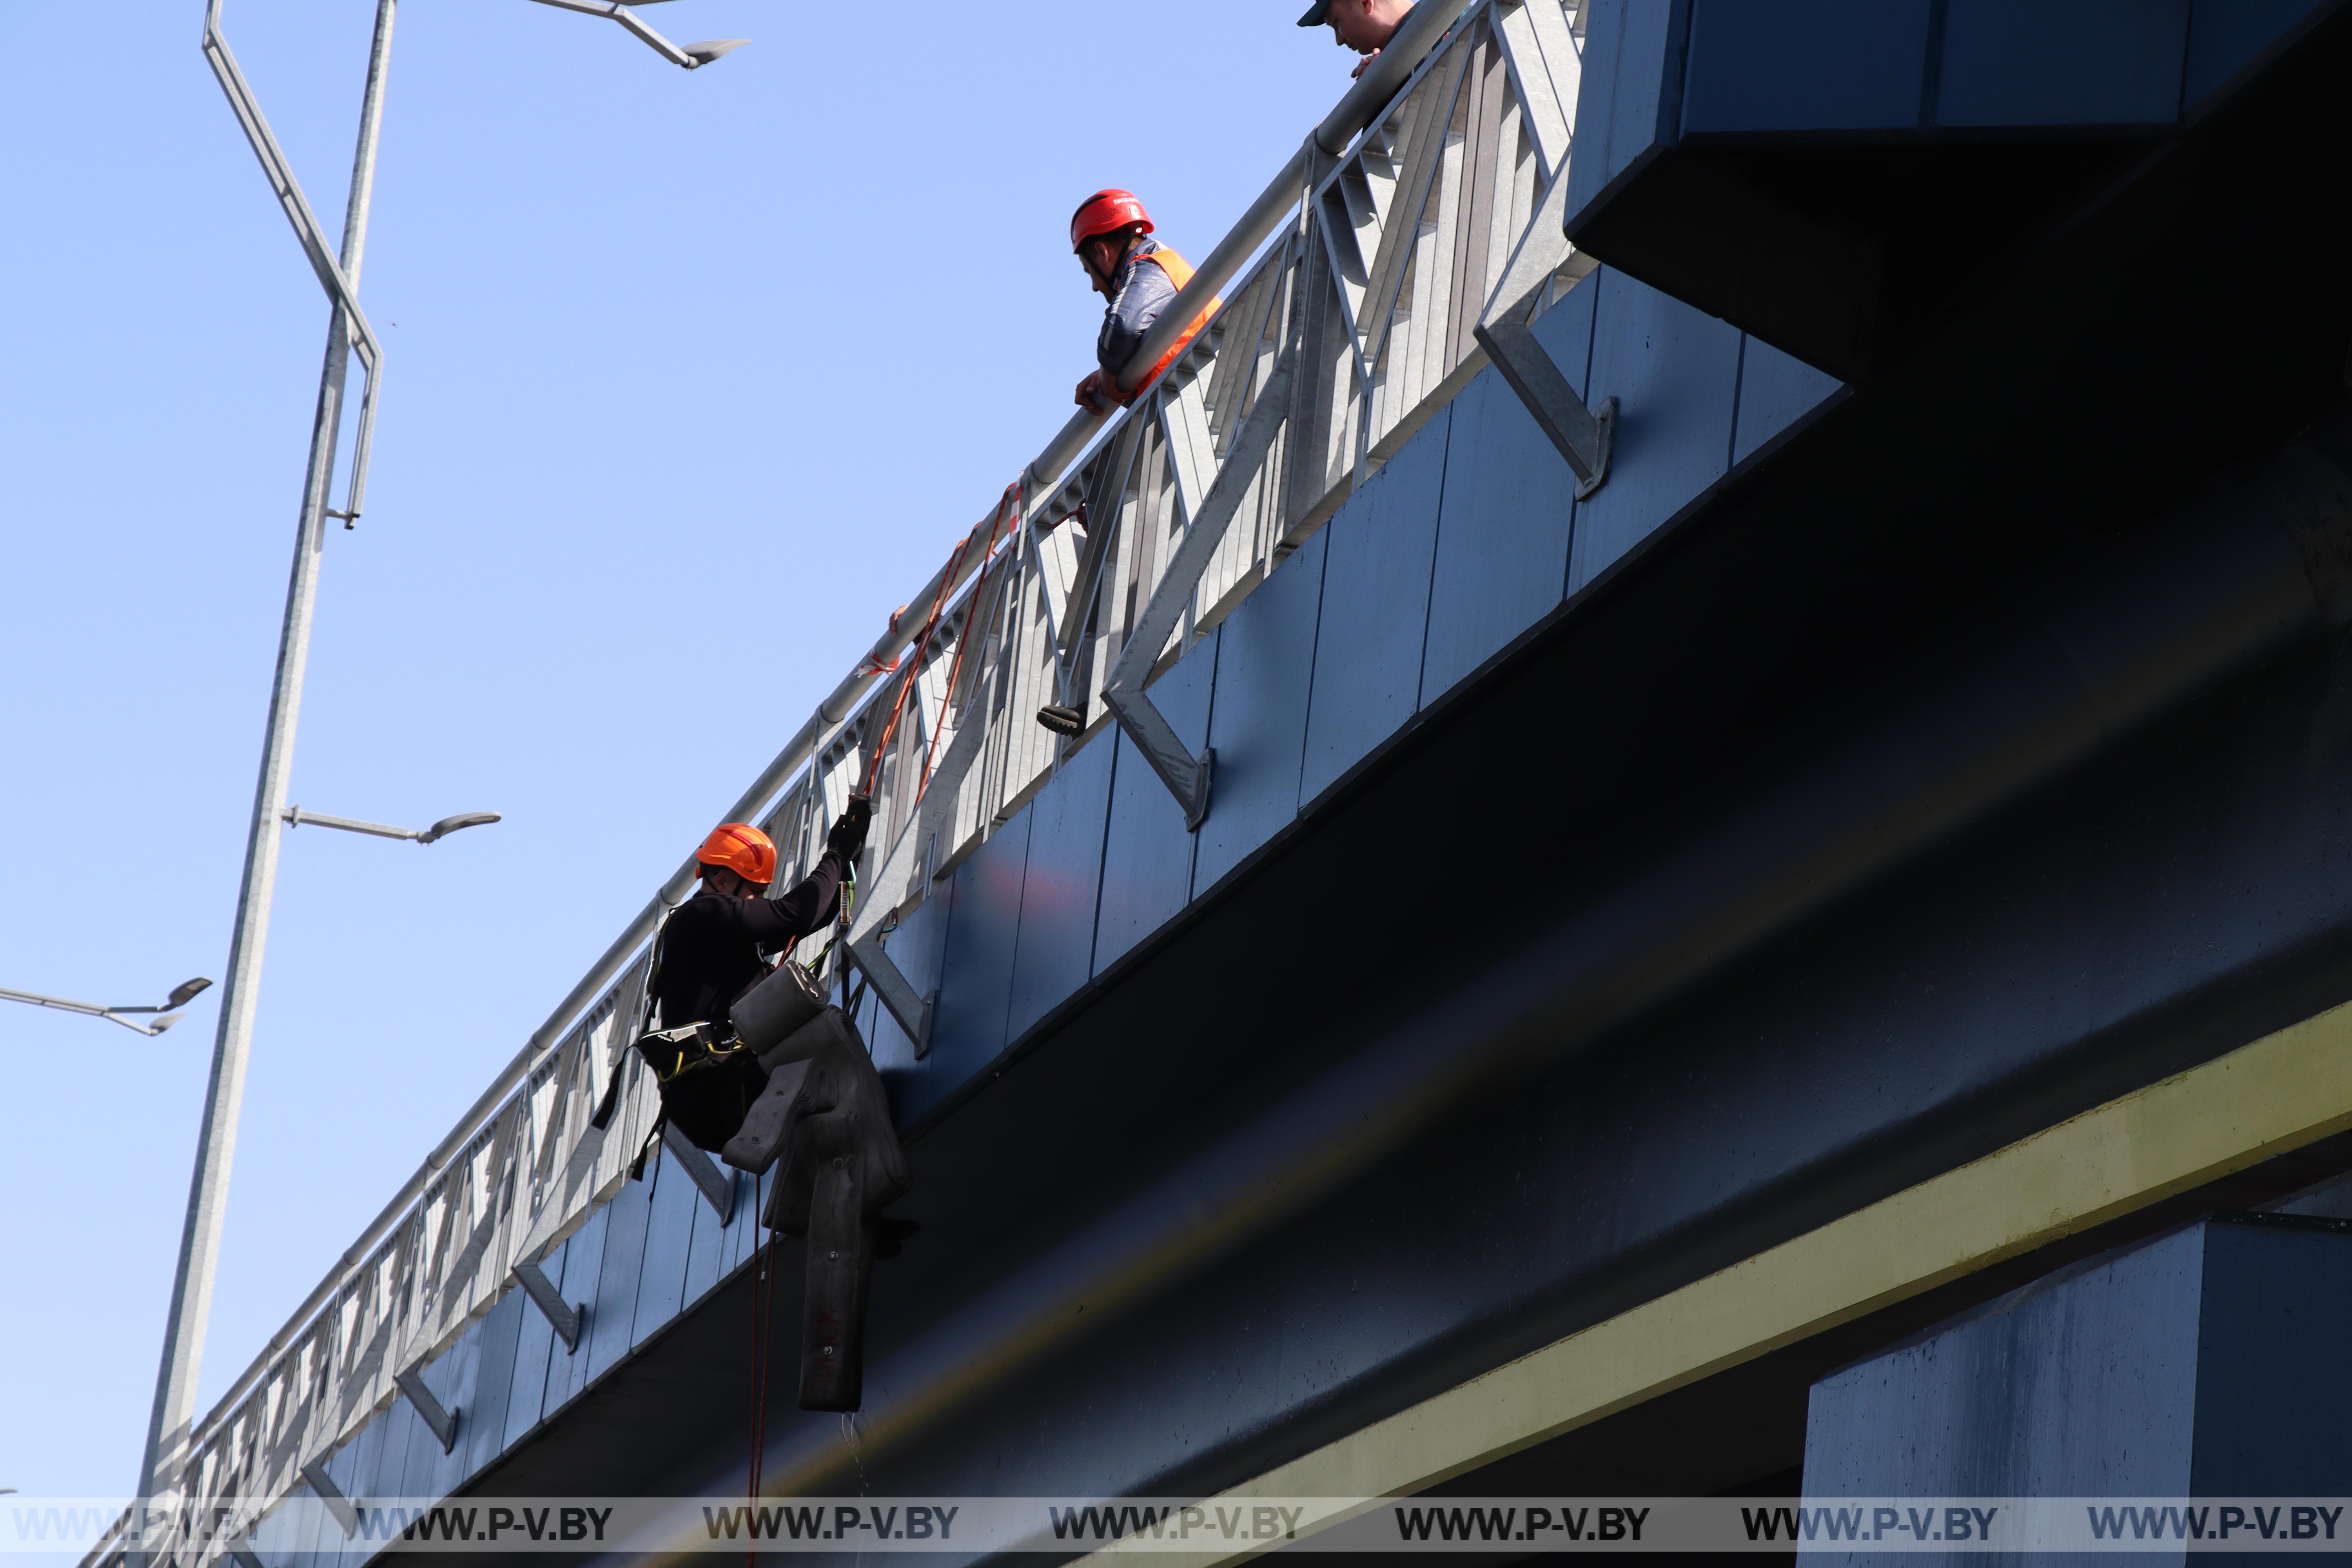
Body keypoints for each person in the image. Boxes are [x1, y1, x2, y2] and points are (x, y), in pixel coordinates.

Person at [652, 804, 870, 1036]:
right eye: (755, 891)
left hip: (722, 1062)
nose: (758, 901)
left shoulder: (722, 931)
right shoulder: (705, 912)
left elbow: (814, 915)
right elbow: (796, 914)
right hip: (714, 1063)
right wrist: (835, 857)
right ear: (722, 881)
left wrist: (847, 860)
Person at [1070, 189, 1222, 416]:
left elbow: (1123, 327)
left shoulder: (1150, 267)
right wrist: (1112, 375)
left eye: (1088, 270)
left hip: (1207, 401)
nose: (1094, 285)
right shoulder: (1163, 267)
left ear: (1102, 253)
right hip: (1207, 399)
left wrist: (1109, 370)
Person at [1298, 0, 1415, 77]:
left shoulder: (1433, 25)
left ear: (1365, 3)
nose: (1339, 41)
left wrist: (1391, 73)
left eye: (1337, 23)